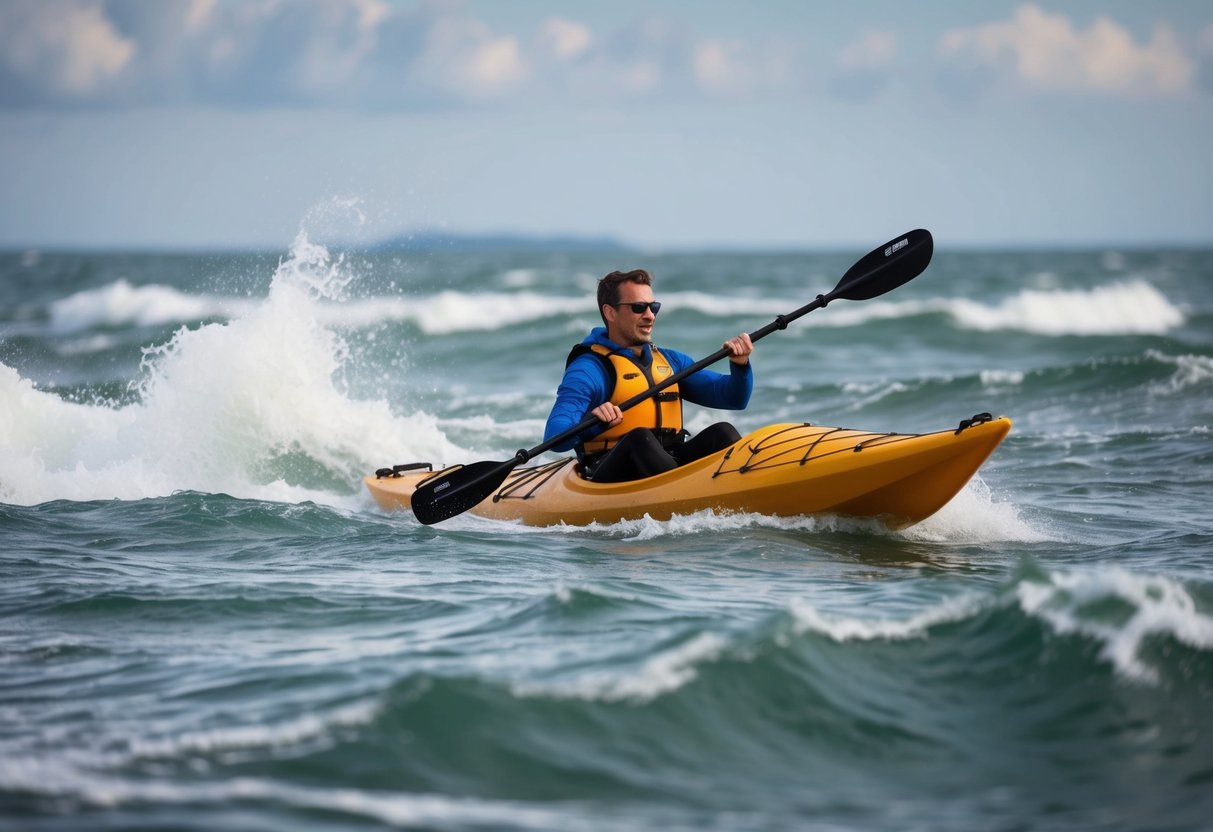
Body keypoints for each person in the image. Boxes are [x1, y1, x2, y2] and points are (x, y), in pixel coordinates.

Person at [543, 268, 754, 483]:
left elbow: (733, 398)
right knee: (640, 439)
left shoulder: (670, 361)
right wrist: (594, 421)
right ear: (610, 313)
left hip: (668, 460)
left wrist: (740, 364)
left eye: (654, 307)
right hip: (611, 470)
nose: (650, 316)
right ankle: (684, 491)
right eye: (638, 308)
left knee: (723, 433)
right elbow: (554, 437)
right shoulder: (590, 368)